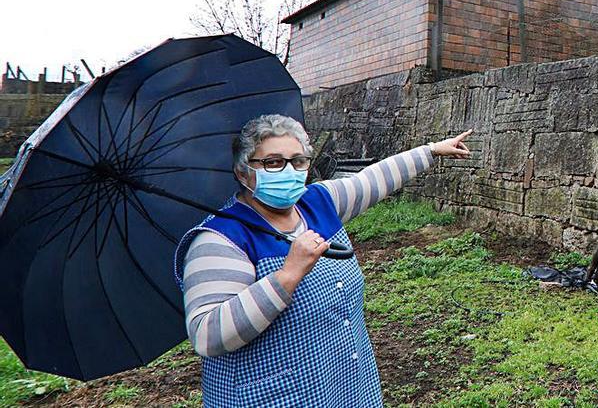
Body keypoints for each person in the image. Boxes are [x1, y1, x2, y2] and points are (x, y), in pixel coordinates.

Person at [173, 114, 470, 407]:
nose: (289, 171)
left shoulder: (316, 202)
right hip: (273, 396)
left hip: (343, 383)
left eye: (298, 161)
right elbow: (206, 335)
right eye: (274, 162)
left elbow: (373, 179)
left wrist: (431, 150)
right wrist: (286, 276)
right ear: (242, 171)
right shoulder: (220, 240)